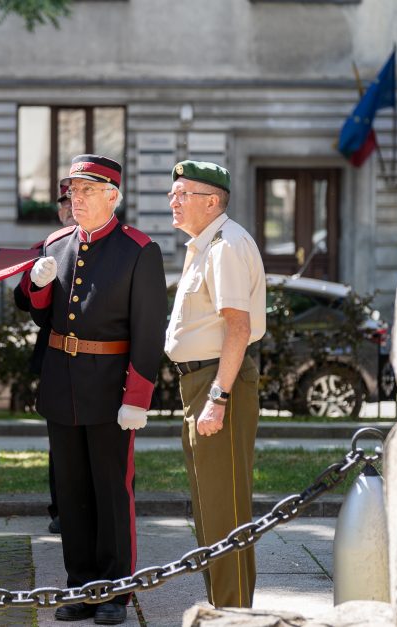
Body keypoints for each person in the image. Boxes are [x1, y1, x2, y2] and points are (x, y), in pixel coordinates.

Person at [27, 154, 167, 624]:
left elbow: (149, 332)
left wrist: (138, 396)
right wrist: (37, 286)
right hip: (62, 384)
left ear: (113, 195)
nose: (76, 198)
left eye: (87, 191)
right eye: (73, 190)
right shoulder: (55, 243)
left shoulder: (138, 250)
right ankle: (79, 586)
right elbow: (38, 313)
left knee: (111, 492)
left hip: (111, 391)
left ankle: (114, 592)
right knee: (70, 493)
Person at [164, 160, 266, 608]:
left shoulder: (226, 246)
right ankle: (226, 610)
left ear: (211, 201)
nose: (173, 200)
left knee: (223, 513)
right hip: (202, 382)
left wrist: (218, 397)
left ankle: (233, 614)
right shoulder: (205, 245)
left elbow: (238, 329)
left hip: (217, 382)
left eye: (182, 193)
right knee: (210, 511)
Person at [13, 181, 76, 535]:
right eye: (64, 202)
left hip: (102, 359)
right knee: (61, 442)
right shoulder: (48, 247)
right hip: (56, 352)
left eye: (74, 200)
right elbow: (23, 299)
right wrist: (35, 280)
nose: (69, 207)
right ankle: (62, 510)